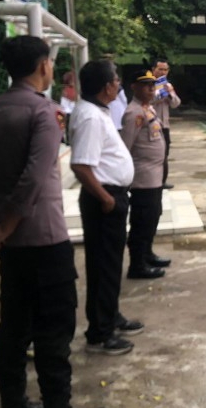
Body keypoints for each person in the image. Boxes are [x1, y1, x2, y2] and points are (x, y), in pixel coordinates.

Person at [0, 35, 78, 408]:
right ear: (43, 66)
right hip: (44, 239)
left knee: (13, 324)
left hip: (10, 245)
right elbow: (34, 178)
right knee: (54, 330)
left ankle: (13, 398)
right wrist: (6, 226)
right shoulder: (44, 112)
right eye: (50, 62)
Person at [70, 59, 141, 356]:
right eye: (115, 80)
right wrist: (106, 198)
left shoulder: (98, 111)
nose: (118, 84)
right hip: (104, 199)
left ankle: (110, 316)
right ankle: (100, 333)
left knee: (111, 264)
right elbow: (81, 166)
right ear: (105, 86)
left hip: (111, 196)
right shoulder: (90, 117)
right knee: (103, 266)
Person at [120, 70, 170, 279]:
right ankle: (137, 264)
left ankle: (147, 254)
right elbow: (125, 146)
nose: (151, 89)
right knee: (142, 222)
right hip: (143, 178)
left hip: (154, 176)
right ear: (134, 87)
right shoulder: (134, 113)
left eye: (152, 85)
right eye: (146, 85)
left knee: (152, 217)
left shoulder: (147, 108)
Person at [151, 59, 181, 189]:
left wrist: (169, 94)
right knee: (153, 154)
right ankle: (153, 180)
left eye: (165, 70)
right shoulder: (148, 84)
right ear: (153, 70)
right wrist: (160, 94)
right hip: (152, 125)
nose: (163, 72)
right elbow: (149, 100)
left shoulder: (168, 85)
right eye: (160, 69)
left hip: (165, 125)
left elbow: (176, 103)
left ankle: (162, 181)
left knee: (165, 153)